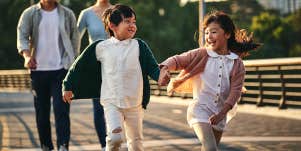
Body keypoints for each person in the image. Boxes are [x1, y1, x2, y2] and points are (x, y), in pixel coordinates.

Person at [62, 4, 160, 151]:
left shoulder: (139, 46)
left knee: (136, 143)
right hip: (111, 102)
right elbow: (78, 66)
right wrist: (67, 86)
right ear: (112, 25)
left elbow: (153, 67)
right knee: (115, 139)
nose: (132, 25)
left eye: (134, 22)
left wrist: (162, 77)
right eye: (127, 21)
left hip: (135, 102)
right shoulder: (101, 47)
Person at [158, 11, 261, 151]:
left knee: (208, 148)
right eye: (206, 33)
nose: (209, 37)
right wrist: (165, 68)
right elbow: (177, 60)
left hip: (221, 112)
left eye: (213, 32)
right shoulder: (201, 54)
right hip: (200, 109)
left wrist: (222, 113)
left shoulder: (236, 63)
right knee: (211, 148)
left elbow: (235, 92)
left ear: (227, 34)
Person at [16, 0, 79, 150]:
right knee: (42, 113)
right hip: (38, 71)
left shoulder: (67, 14)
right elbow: (22, 36)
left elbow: (75, 38)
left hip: (61, 70)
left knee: (61, 111)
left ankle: (63, 146)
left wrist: (72, 62)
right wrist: (26, 56)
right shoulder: (30, 13)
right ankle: (46, 146)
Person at [77, 0, 111, 149]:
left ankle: (115, 139)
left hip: (116, 66)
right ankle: (104, 145)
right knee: (98, 107)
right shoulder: (86, 14)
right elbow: (74, 38)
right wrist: (78, 63)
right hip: (95, 67)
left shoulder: (118, 10)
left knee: (117, 105)